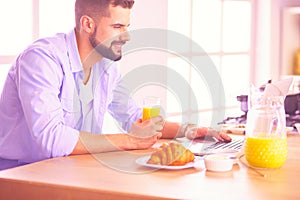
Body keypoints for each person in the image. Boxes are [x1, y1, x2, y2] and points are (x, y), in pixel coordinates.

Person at [0, 0, 231, 170]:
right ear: (88, 24)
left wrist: (189, 130)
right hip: (19, 173)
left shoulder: (105, 66)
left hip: (69, 169)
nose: (127, 36)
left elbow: (133, 118)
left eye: (127, 26)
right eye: (118, 26)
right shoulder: (42, 59)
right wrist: (131, 141)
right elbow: (51, 139)